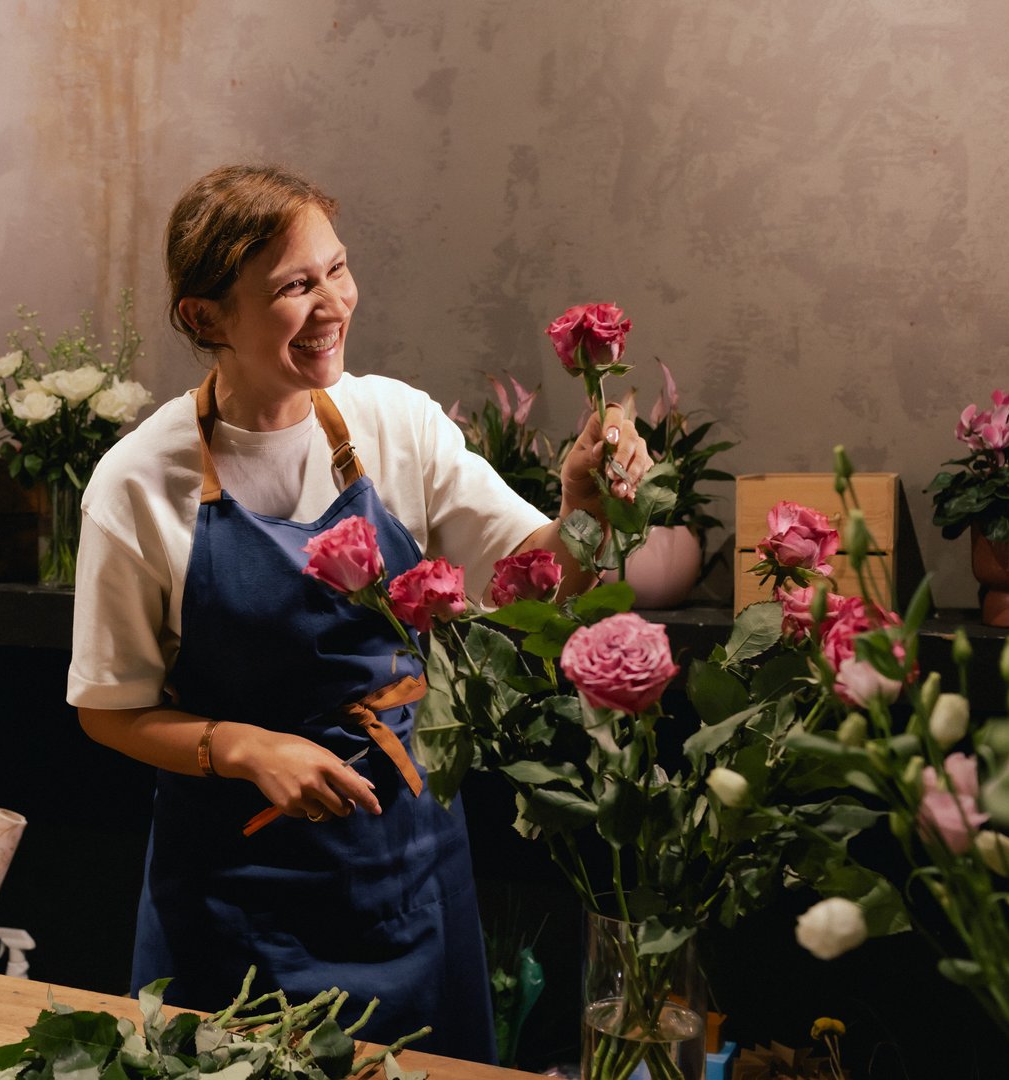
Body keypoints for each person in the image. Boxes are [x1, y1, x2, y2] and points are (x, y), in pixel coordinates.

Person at [66, 163, 648, 1063]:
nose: (333, 302)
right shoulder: (139, 485)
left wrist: (582, 509)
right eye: (295, 286)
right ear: (204, 317)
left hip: (405, 880)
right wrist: (250, 747)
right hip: (232, 904)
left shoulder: (394, 425)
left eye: (336, 269)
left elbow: (537, 582)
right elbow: (108, 709)